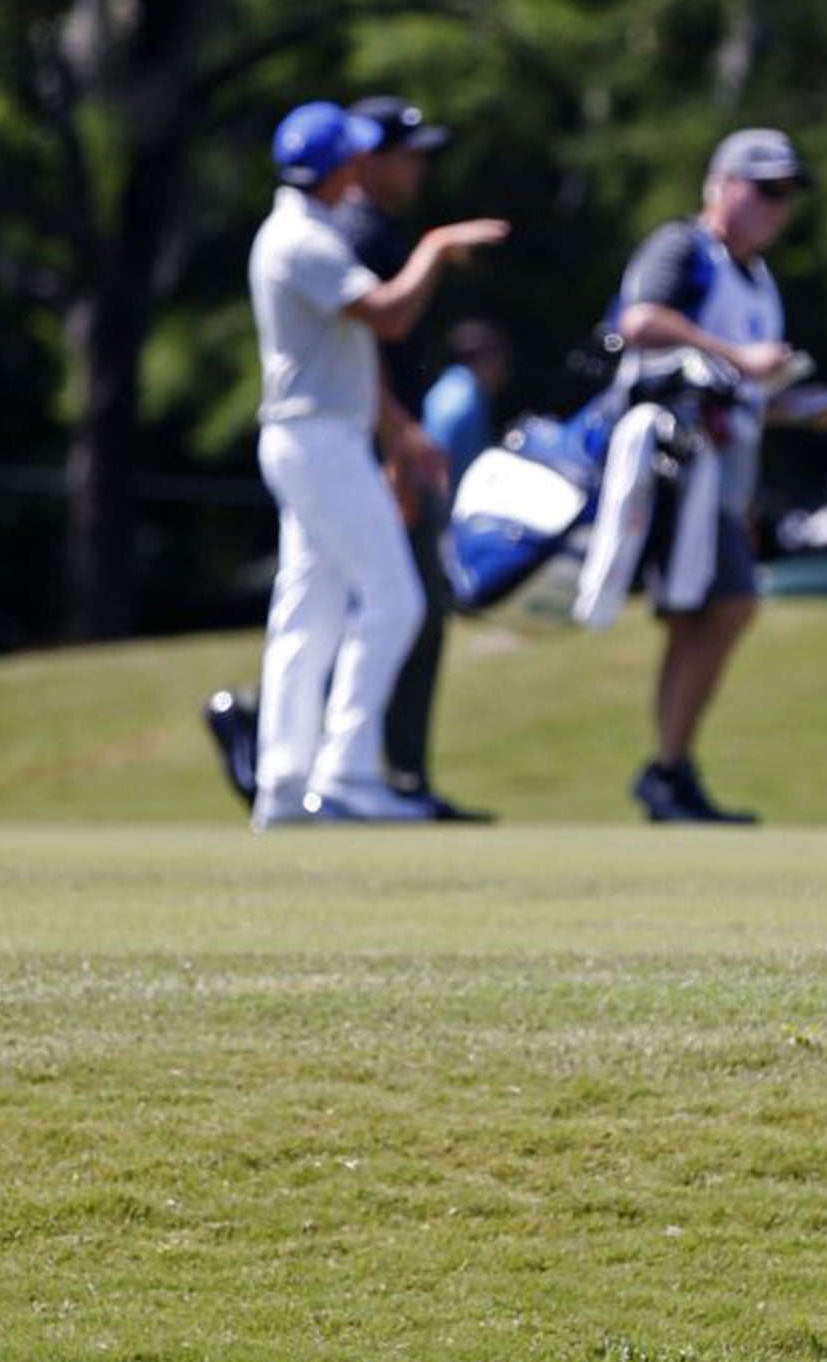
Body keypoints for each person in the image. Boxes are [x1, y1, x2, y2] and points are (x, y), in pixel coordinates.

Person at [248, 100, 506, 828]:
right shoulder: (305, 240)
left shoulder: (308, 230)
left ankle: (284, 781)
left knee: (310, 611)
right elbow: (389, 315)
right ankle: (346, 774)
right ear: (340, 166)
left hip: (318, 435)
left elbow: (354, 355)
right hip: (321, 440)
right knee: (396, 600)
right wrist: (435, 250)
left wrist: (397, 432)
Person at [614, 129, 811, 825]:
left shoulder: (759, 278)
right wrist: (738, 358)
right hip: (674, 468)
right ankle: (667, 769)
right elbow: (638, 321)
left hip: (727, 476)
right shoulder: (683, 248)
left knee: (709, 611)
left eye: (786, 196)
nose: (778, 208)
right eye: (767, 191)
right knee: (728, 603)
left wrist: (793, 404)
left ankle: (670, 769)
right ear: (723, 185)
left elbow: (749, 386)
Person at [331, 96, 495, 820]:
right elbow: (365, 348)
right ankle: (368, 773)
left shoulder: (377, 230)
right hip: (374, 447)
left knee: (406, 608)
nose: (419, 165)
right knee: (399, 606)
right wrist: (396, 439)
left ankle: (394, 775)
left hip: (394, 441)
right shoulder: (353, 234)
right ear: (365, 157)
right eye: (408, 152)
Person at [423, 320, 514, 496]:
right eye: (502, 362)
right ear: (486, 359)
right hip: (445, 501)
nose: (505, 372)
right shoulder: (467, 400)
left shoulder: (449, 385)